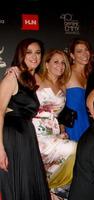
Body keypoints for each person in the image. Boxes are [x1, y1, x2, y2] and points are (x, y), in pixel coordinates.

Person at [0, 38, 50, 199]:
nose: (34, 57)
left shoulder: (28, 78)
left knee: (29, 183)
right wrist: (0, 149)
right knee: (19, 183)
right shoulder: (12, 76)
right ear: (21, 54)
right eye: (29, 52)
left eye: (38, 52)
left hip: (26, 134)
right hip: (12, 136)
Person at [32, 49, 77, 193]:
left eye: (63, 62)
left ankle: (51, 188)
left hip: (54, 132)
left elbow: (59, 114)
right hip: (35, 132)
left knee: (73, 149)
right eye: (56, 62)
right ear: (46, 64)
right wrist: (13, 71)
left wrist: (62, 129)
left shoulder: (62, 85)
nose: (60, 65)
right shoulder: (36, 79)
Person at [65, 38, 93, 141]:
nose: (84, 54)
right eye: (79, 51)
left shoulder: (90, 74)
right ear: (72, 55)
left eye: (86, 50)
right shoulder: (67, 72)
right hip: (72, 123)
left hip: (88, 121)